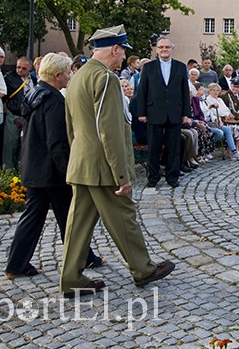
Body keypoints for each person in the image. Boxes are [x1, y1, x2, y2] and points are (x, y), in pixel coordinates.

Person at [60, 25, 175, 298]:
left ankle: (70, 278)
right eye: (123, 50)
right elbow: (109, 130)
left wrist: (74, 160)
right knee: (123, 216)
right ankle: (143, 269)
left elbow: (71, 126)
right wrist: (121, 174)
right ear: (114, 49)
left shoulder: (78, 77)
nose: (124, 57)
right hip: (103, 167)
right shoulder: (106, 79)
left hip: (83, 163)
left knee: (78, 225)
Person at [5, 53, 103, 279]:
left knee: (35, 216)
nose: (70, 76)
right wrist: (67, 170)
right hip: (51, 170)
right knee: (70, 217)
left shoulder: (34, 94)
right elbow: (56, 141)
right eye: (68, 72)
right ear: (58, 75)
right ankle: (85, 258)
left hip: (34, 165)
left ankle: (16, 264)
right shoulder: (54, 100)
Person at [136, 36, 191, 189]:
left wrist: (186, 112)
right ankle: (153, 178)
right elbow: (142, 91)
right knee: (154, 147)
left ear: (172, 49)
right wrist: (142, 112)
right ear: (156, 50)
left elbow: (184, 91)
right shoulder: (149, 67)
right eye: (161, 47)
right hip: (154, 112)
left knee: (174, 147)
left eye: (167, 47)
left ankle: (172, 177)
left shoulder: (180, 67)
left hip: (175, 112)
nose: (164, 50)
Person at [1, 57, 36, 169]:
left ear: (30, 68)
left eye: (24, 68)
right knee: (10, 144)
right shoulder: (9, 78)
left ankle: (22, 169)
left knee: (25, 144)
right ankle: (8, 170)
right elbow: (3, 96)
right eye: (18, 67)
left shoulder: (33, 80)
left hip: (28, 116)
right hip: (13, 114)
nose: (20, 70)